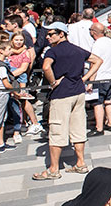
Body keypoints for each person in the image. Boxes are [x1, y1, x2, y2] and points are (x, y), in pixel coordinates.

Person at [34, 21, 101, 180]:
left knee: (57, 129)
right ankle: (80, 163)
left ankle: (54, 169)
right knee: (78, 128)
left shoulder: (53, 51)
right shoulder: (76, 49)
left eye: (51, 34)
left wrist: (52, 82)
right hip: (78, 91)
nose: (48, 37)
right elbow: (97, 60)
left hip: (61, 93)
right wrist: (84, 79)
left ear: (61, 34)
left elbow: (45, 67)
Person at [87, 23, 111, 136]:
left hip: (100, 77)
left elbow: (94, 64)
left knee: (97, 103)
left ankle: (99, 128)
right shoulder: (110, 41)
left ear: (94, 32)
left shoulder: (97, 44)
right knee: (108, 100)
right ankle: (110, 123)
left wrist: (90, 82)